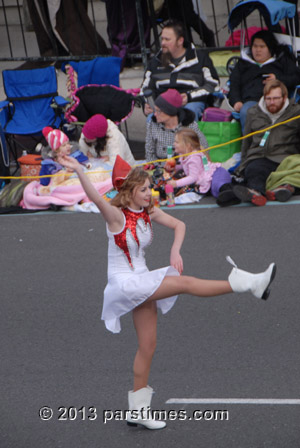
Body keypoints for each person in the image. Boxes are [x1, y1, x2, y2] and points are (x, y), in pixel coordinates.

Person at [57, 153, 276, 430]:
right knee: (184, 283)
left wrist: (175, 249)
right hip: (124, 282)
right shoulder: (116, 217)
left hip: (142, 280)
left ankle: (137, 411)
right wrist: (78, 169)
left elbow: (179, 225)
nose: (150, 193)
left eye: (150, 188)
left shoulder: (148, 212)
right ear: (130, 192)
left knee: (148, 346)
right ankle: (249, 284)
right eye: (144, 189)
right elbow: (97, 198)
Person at [218, 80, 300, 207]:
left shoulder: (296, 112)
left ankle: (284, 189)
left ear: (284, 97)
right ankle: (256, 192)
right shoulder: (253, 112)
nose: (272, 102)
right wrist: (243, 166)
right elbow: (246, 141)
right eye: (268, 98)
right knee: (255, 170)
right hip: (260, 157)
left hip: (285, 157)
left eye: (276, 98)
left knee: (295, 170)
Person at [141, 20, 219, 121]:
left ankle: (186, 137)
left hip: (191, 102)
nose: (163, 43)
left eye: (167, 39)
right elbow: (145, 88)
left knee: (189, 113)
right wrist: (147, 103)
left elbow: (213, 85)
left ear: (180, 41)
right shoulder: (155, 61)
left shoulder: (200, 58)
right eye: (162, 39)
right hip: (163, 104)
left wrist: (189, 97)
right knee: (152, 118)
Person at [228, 29, 300, 133]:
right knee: (247, 111)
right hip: (251, 101)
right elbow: (234, 84)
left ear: (270, 48)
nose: (258, 50)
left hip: (276, 100)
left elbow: (296, 77)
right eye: (255, 46)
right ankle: (250, 145)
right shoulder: (243, 64)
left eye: (262, 47)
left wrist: (278, 79)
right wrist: (236, 101)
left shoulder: (282, 61)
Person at [166, 128, 232, 200]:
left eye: (177, 142)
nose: (174, 144)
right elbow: (185, 166)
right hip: (209, 175)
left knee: (217, 186)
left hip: (216, 173)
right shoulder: (184, 155)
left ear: (187, 145)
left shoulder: (194, 157)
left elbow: (193, 177)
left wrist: (176, 183)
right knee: (214, 190)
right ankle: (228, 196)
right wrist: (175, 167)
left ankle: (232, 195)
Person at [145, 89, 208, 162]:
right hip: (160, 167)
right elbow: (149, 155)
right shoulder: (152, 125)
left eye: (159, 111)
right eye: (155, 110)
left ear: (170, 111)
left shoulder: (189, 125)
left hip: (187, 166)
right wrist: (163, 166)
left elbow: (204, 149)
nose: (155, 114)